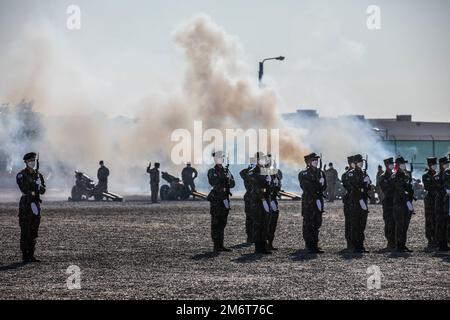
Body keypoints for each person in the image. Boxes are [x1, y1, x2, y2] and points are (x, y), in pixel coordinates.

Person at [16, 152, 46, 263]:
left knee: (34, 230)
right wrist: (34, 189)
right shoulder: (21, 175)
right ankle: (25, 256)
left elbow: (43, 191)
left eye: (34, 161)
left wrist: (40, 185)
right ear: (26, 162)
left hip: (35, 204)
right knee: (25, 230)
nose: (32, 163)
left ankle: (31, 255)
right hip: (26, 204)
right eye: (30, 161)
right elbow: (24, 189)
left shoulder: (39, 175)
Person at [298, 153, 327, 254]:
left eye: (316, 160)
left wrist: (322, 183)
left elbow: (324, 188)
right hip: (309, 201)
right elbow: (308, 187)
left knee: (317, 222)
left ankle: (315, 244)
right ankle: (309, 245)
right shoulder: (304, 173)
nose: (316, 161)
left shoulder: (321, 173)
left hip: (318, 200)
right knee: (309, 223)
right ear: (308, 162)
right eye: (314, 160)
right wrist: (318, 183)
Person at [207, 151, 235, 252]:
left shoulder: (226, 170)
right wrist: (224, 179)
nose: (220, 159)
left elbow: (232, 183)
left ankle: (221, 244)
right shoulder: (212, 171)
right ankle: (216, 245)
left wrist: (228, 179)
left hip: (225, 199)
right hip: (217, 200)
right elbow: (214, 182)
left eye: (222, 158)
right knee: (216, 222)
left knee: (223, 222)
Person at [347, 154, 371, 253]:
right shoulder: (351, 174)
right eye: (359, 162)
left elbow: (368, 187)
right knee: (355, 225)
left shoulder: (364, 173)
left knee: (362, 225)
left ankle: (361, 246)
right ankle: (355, 246)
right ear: (355, 163)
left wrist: (368, 184)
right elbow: (354, 187)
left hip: (363, 201)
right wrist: (363, 183)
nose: (361, 163)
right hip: (355, 201)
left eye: (362, 162)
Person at [391, 157, 414, 253]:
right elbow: (400, 190)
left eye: (404, 164)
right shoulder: (395, 176)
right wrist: (407, 199)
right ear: (398, 165)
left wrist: (410, 195)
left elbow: (409, 188)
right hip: (399, 203)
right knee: (399, 225)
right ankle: (399, 245)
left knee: (405, 224)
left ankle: (403, 244)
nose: (404, 165)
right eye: (401, 164)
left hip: (406, 202)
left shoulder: (406, 175)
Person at [379, 157, 396, 251]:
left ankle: (397, 242)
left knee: (397, 223)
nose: (392, 165)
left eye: (392, 164)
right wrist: (392, 181)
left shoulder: (395, 175)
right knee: (389, 223)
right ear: (386, 165)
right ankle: (390, 243)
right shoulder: (383, 177)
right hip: (388, 203)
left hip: (397, 202)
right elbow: (386, 191)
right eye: (390, 164)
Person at [422, 157, 438, 250]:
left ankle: (437, 239)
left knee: (437, 220)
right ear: (429, 165)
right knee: (429, 220)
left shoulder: (438, 175)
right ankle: (430, 240)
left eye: (435, 164)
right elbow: (428, 187)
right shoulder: (425, 176)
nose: (434, 166)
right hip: (430, 201)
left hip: (437, 200)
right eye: (433, 164)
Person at [267, 154, 282, 251]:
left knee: (273, 223)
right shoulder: (261, 172)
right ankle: (264, 243)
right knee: (265, 223)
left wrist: (277, 184)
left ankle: (270, 243)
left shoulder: (275, 173)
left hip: (273, 200)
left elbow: (278, 186)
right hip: (266, 200)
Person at [434, 157, 450, 252]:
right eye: (445, 163)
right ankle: (441, 244)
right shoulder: (438, 176)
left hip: (447, 202)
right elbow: (438, 189)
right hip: (440, 202)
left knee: (446, 223)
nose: (447, 165)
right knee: (440, 223)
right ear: (441, 164)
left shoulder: (447, 173)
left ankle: (445, 243)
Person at [239, 157, 256, 244]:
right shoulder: (247, 172)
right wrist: (250, 168)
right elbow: (241, 173)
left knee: (258, 218)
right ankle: (250, 237)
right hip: (250, 196)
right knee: (249, 218)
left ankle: (256, 237)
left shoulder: (257, 171)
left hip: (257, 197)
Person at [341, 156, 355, 250]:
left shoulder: (361, 174)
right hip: (350, 202)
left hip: (358, 202)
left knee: (358, 223)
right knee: (349, 223)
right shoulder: (346, 175)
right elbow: (350, 188)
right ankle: (349, 243)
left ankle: (357, 243)